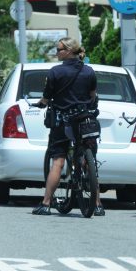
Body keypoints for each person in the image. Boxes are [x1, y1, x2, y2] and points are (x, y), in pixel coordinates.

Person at [32, 37, 104, 216]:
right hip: (86, 121)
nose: (56, 53)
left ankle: (46, 203)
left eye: (58, 49)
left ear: (69, 51)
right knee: (89, 162)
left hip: (62, 121)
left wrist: (40, 104)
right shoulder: (89, 71)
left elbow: (46, 98)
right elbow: (93, 96)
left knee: (58, 161)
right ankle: (97, 205)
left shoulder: (56, 72)